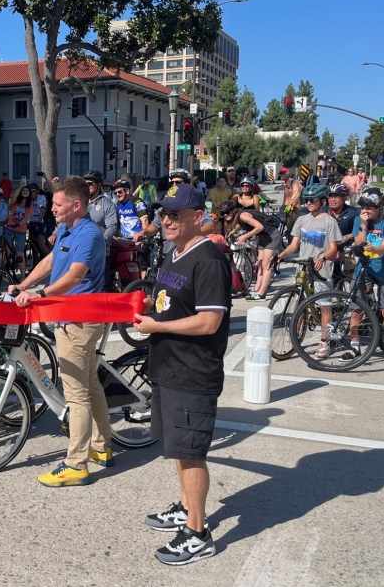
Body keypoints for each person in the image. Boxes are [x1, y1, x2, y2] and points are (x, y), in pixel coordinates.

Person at [131, 183, 231, 566]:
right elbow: (172, 304)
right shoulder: (174, 253)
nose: (166, 221)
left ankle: (198, 533)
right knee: (178, 449)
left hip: (193, 372)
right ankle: (188, 507)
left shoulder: (209, 259)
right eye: (163, 214)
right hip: (169, 367)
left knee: (191, 454)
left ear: (197, 217)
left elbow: (209, 322)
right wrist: (151, 311)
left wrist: (157, 327)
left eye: (175, 215)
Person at [11, 175, 111, 487]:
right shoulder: (68, 229)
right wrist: (24, 284)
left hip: (79, 322)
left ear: (76, 205)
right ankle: (101, 446)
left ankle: (76, 464)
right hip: (69, 318)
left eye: (58, 204)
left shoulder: (89, 235)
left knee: (76, 394)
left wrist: (40, 294)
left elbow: (75, 276)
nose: (52, 208)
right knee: (90, 384)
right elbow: (51, 260)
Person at [276, 183, 341, 360]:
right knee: (300, 303)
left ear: (322, 201)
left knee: (325, 305)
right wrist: (281, 255)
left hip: (321, 268)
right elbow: (294, 245)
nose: (309, 203)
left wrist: (323, 258)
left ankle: (325, 342)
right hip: (304, 266)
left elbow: (333, 248)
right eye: (307, 200)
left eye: (313, 200)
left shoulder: (329, 221)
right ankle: (295, 337)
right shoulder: (302, 220)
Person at [350, 187, 384, 370]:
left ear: (381, 207)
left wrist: (373, 248)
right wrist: (363, 225)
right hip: (364, 268)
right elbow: (358, 242)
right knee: (356, 308)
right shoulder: (359, 220)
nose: (365, 211)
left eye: (370, 208)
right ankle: (355, 346)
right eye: (363, 207)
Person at [218, 200, 282, 301]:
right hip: (263, 237)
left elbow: (260, 227)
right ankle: (257, 290)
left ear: (233, 211)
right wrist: (233, 231)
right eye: (223, 213)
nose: (225, 215)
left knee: (266, 265)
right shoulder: (239, 217)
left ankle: (262, 293)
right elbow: (242, 224)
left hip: (272, 236)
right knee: (260, 264)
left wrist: (245, 236)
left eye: (227, 212)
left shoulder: (243, 215)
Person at [326, 184, 359, 280]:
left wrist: (346, 237)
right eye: (331, 196)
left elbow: (361, 231)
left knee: (351, 278)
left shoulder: (353, 212)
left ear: (344, 197)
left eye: (336, 196)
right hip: (326, 250)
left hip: (346, 250)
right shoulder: (323, 211)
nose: (333, 200)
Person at [5, 185, 34, 278]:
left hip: (20, 231)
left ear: (29, 194)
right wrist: (20, 186)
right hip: (9, 229)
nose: (25, 192)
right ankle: (1, 272)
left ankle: (22, 276)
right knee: (6, 252)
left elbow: (27, 217)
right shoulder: (15, 203)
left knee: (19, 254)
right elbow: (14, 196)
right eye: (23, 191)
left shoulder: (30, 207)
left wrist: (21, 222)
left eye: (27, 191)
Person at [83, 169, 117, 242]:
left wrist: (101, 241)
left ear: (98, 185)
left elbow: (111, 227)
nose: (86, 186)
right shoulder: (80, 202)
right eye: (84, 184)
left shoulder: (108, 204)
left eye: (89, 184)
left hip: (97, 245)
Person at [280, 167, 303, 240]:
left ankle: (293, 245)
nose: (281, 175)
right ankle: (291, 244)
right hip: (288, 209)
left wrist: (289, 207)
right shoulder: (286, 184)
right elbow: (285, 197)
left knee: (292, 230)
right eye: (280, 174)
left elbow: (296, 196)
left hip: (294, 209)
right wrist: (283, 206)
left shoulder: (295, 183)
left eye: (283, 173)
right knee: (289, 229)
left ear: (288, 174)